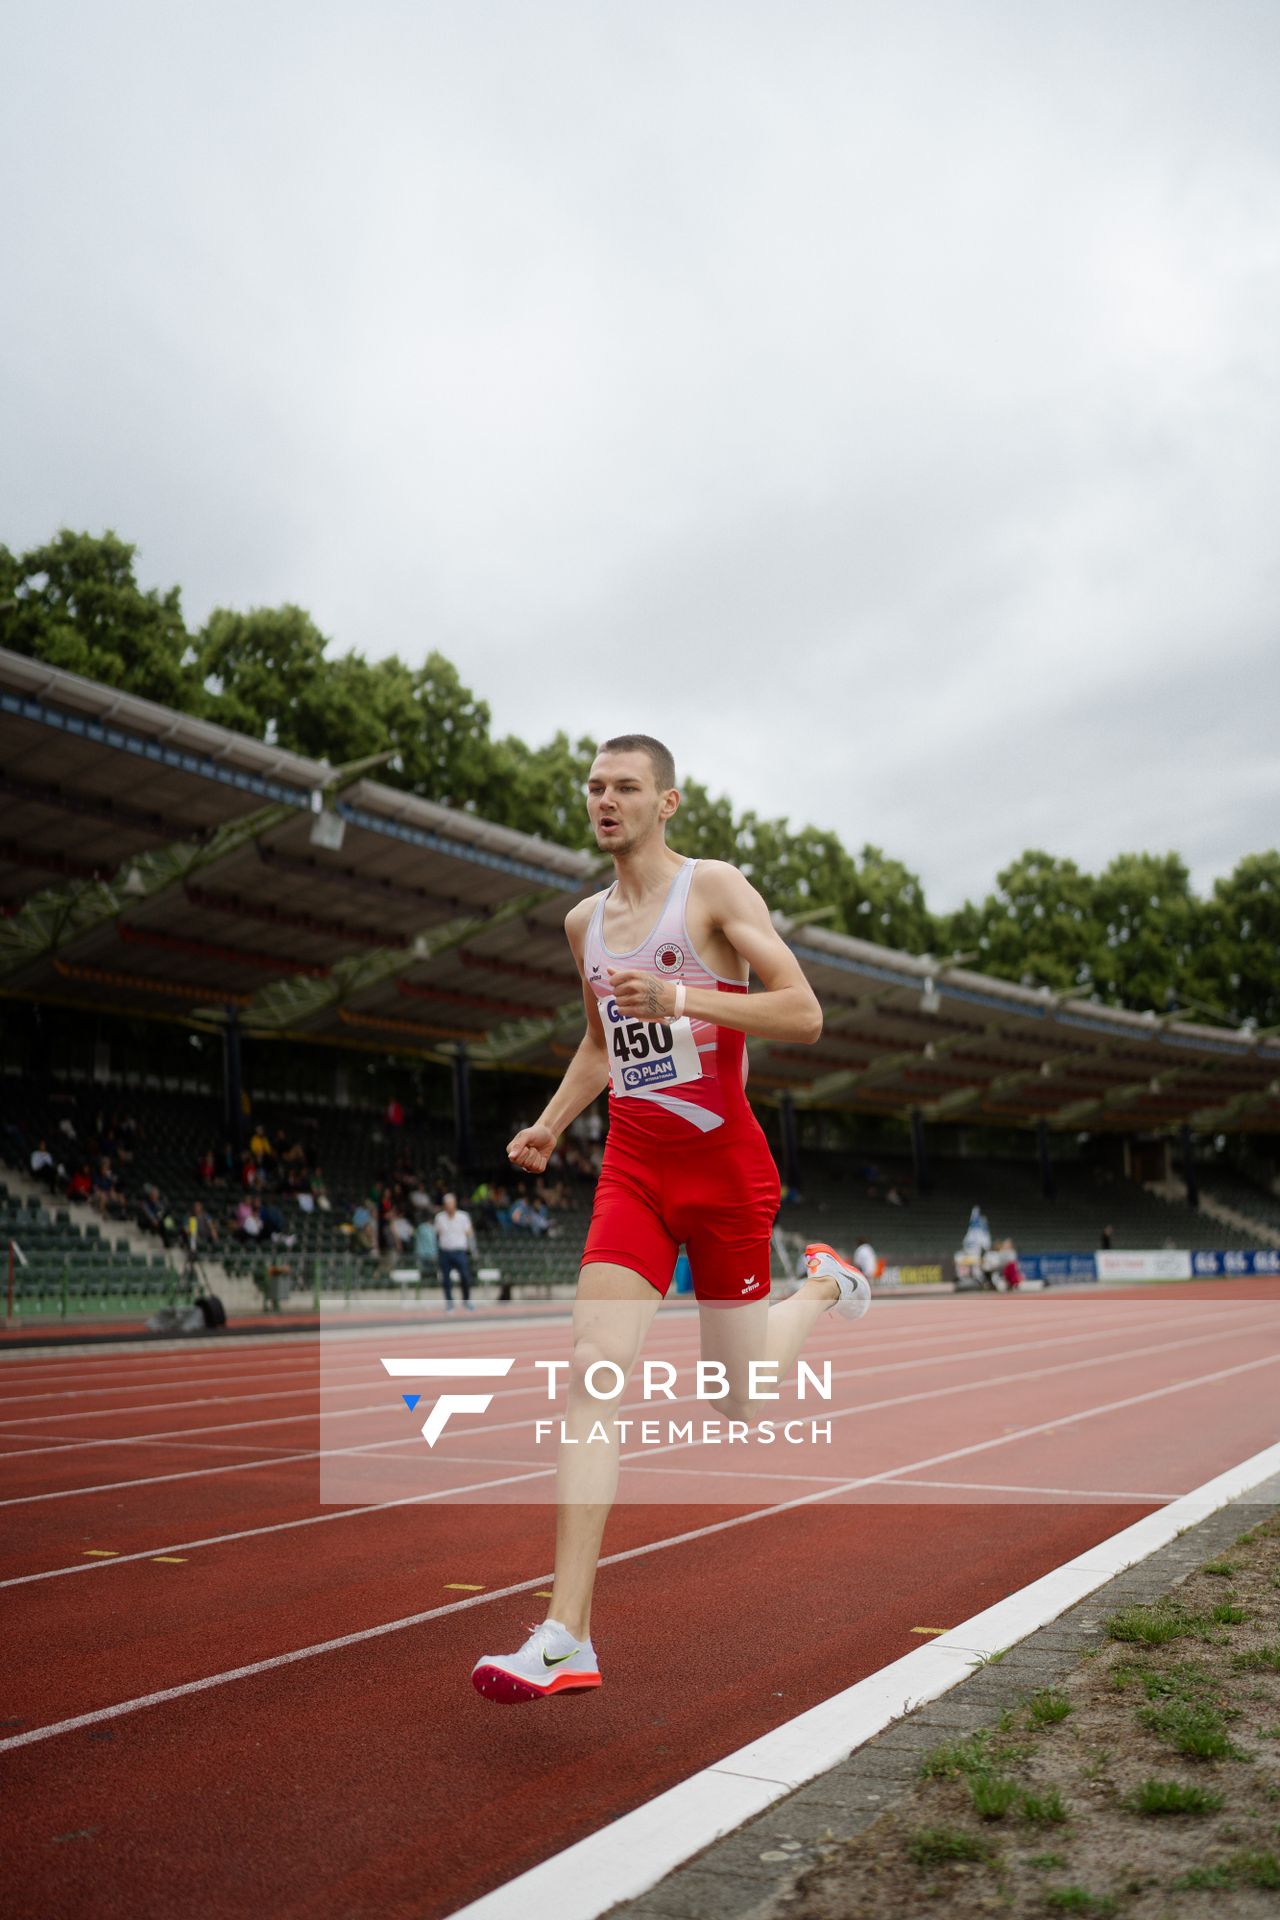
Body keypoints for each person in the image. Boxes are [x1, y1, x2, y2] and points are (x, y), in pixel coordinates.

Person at [471, 734, 872, 1705]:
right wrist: (549, 1124)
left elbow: (803, 1013)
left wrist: (686, 993)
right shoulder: (583, 925)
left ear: (667, 804)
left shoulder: (714, 891)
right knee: (588, 1375)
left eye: (625, 789)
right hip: (635, 1170)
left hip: (725, 1172)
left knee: (736, 1401)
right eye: (593, 787)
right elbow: (601, 1042)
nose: (604, 801)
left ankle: (820, 1281)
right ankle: (566, 1632)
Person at [434, 1192, 477, 1309]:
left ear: (455, 1204)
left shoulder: (463, 1216)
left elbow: (470, 1233)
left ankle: (466, 1300)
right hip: (445, 1252)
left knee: (465, 1276)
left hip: (459, 1252)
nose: (449, 1206)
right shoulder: (439, 1218)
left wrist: (473, 1249)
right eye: (447, 1204)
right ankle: (449, 1302)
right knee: (446, 1279)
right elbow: (437, 1233)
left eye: (451, 1203)